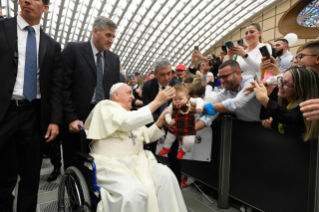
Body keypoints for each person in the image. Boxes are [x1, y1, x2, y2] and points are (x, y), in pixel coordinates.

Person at [84, 83, 187, 212]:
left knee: (167, 177)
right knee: (134, 193)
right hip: (112, 164)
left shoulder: (132, 115)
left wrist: (160, 121)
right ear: (116, 95)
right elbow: (126, 123)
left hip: (139, 162)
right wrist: (157, 102)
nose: (133, 97)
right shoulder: (105, 106)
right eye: (129, 93)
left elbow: (148, 136)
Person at [0, 0, 63, 211]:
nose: (27, 0)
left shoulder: (52, 46)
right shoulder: (2, 28)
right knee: (3, 176)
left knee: (30, 176)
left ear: (45, 7)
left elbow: (55, 86)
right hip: (4, 112)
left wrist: (54, 120)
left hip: (34, 115)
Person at [62, 16, 120, 170]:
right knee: (74, 164)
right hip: (76, 119)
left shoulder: (114, 59)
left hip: (102, 120)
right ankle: (74, 193)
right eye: (108, 35)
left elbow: (115, 92)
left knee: (98, 163)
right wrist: (71, 118)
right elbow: (63, 87)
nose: (111, 40)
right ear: (95, 31)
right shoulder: (74, 50)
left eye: (113, 36)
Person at [254, 65, 319, 141]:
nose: (279, 86)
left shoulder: (309, 108)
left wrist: (265, 100)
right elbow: (271, 112)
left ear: (301, 89)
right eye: (280, 80)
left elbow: (290, 117)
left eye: (286, 83)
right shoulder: (279, 91)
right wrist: (268, 119)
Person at [142, 58, 181, 183]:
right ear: (155, 74)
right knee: (150, 154)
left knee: (174, 157)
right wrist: (161, 121)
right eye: (163, 74)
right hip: (154, 124)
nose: (167, 77)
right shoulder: (148, 86)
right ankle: (150, 182)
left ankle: (176, 184)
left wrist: (172, 122)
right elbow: (147, 108)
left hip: (171, 126)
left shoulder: (177, 85)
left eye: (169, 73)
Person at [158, 85, 204, 159]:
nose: (177, 101)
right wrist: (169, 121)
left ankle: (183, 151)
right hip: (175, 126)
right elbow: (167, 114)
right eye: (175, 99)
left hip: (187, 127)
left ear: (187, 97)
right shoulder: (172, 105)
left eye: (180, 99)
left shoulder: (190, 101)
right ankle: (166, 148)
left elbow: (199, 100)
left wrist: (199, 107)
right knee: (169, 138)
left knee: (189, 142)